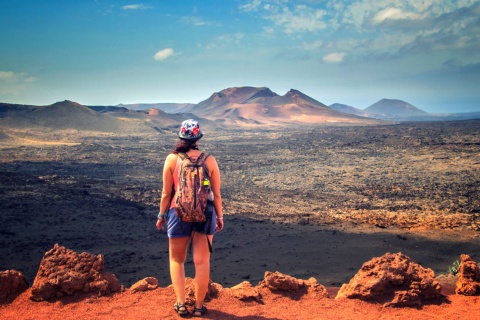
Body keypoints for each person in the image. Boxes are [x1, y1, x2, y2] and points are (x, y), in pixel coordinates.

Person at [156, 119, 224, 317]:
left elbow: (166, 193)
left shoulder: (171, 160)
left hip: (177, 214)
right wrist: (219, 216)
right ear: (198, 137)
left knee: (177, 259)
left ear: (180, 137)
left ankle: (181, 304)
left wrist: (161, 215)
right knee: (201, 262)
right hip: (205, 215)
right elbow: (217, 194)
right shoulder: (209, 160)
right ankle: (199, 307)